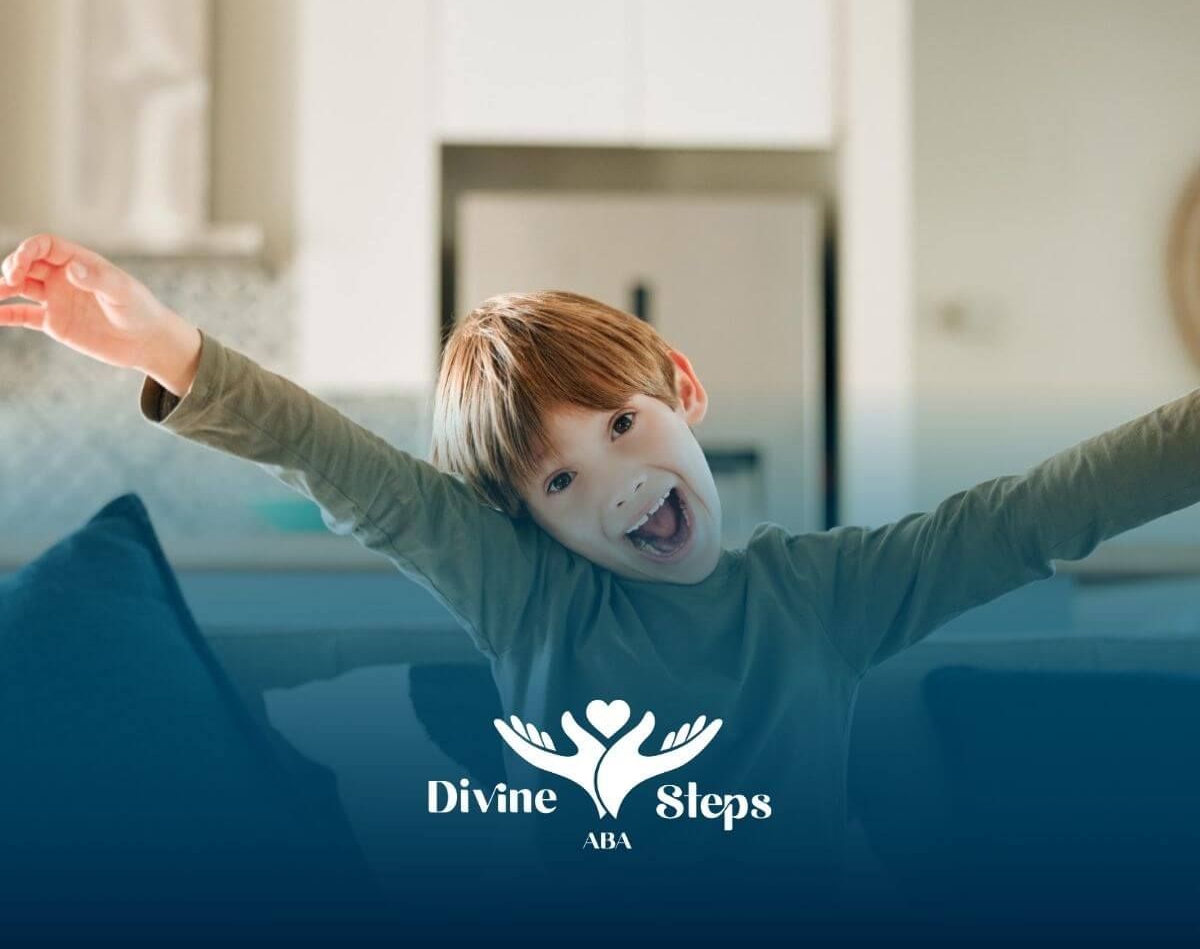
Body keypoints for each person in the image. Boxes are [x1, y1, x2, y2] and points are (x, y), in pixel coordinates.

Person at [4, 232, 1200, 939]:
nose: (616, 482)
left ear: (681, 384)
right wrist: (166, 348)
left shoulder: (824, 597)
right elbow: (341, 463)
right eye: (560, 482)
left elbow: (1040, 513)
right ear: (522, 521)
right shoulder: (531, 600)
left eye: (624, 425)